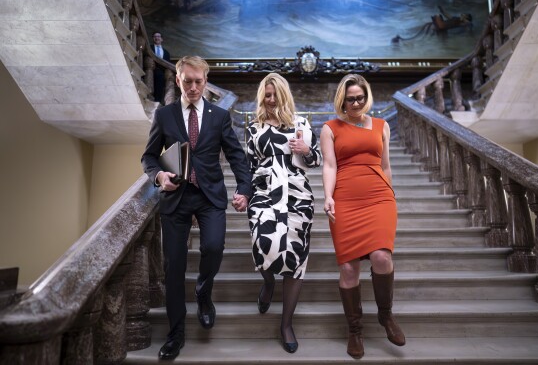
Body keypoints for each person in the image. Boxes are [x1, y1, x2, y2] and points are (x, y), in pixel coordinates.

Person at [141, 56, 251, 360]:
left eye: (198, 81)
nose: (192, 87)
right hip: (176, 196)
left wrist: (244, 189)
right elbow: (149, 157)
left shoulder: (219, 116)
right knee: (173, 267)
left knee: (214, 247)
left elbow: (236, 156)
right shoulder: (164, 115)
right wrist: (159, 175)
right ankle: (176, 333)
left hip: (210, 195)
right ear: (177, 81)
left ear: (205, 82)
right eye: (186, 81)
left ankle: (204, 290)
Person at [320, 74, 405, 359]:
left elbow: (386, 165)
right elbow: (330, 166)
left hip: (378, 197)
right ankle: (354, 329)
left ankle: (386, 316)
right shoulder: (330, 128)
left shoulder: (382, 126)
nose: (355, 103)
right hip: (345, 198)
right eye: (350, 98)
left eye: (359, 97)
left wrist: (390, 194)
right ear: (341, 100)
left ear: (366, 97)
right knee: (348, 269)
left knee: (382, 257)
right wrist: (328, 196)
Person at [245, 73, 321, 353]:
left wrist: (306, 149)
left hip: (298, 197)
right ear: (262, 97)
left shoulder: (301, 124)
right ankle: (267, 284)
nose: (272, 99)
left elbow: (316, 161)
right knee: (263, 246)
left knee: (296, 260)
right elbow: (248, 166)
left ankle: (286, 324)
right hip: (264, 194)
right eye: (267, 94)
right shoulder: (253, 129)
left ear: (284, 95)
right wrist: (244, 193)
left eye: (276, 94)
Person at [150, 31, 171, 105]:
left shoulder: (166, 52)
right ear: (153, 38)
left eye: (158, 36)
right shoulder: (149, 48)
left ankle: (158, 101)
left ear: (162, 39)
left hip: (161, 73)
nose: (157, 38)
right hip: (150, 71)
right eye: (155, 36)